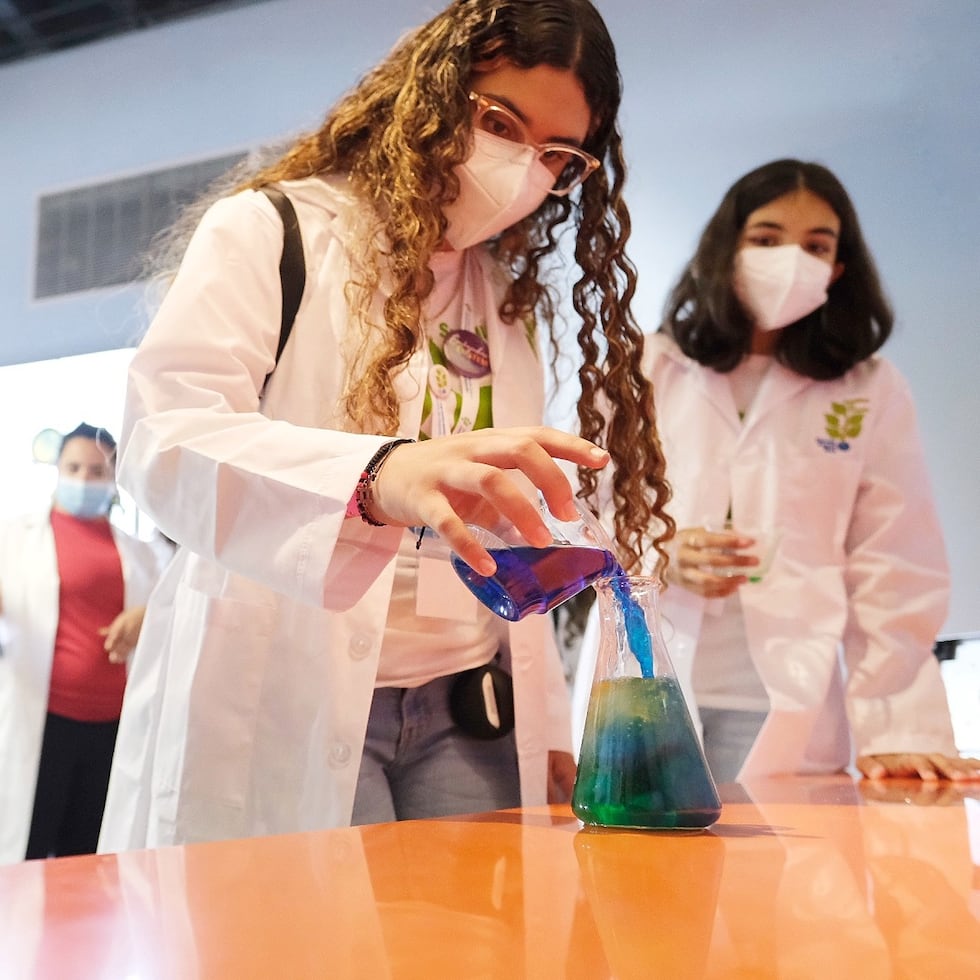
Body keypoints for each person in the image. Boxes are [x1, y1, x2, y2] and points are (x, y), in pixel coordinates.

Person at [98, 0, 672, 851]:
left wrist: (547, 721)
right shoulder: (275, 230)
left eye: (558, 155)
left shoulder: (505, 307)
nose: (523, 169)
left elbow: (513, 515)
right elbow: (163, 441)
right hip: (287, 693)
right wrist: (379, 476)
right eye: (501, 122)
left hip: (464, 706)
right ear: (432, 94)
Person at [575, 158, 980, 784]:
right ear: (726, 250)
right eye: (766, 239)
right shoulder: (645, 368)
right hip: (648, 685)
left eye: (816, 245)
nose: (791, 259)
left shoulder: (869, 389)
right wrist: (661, 552)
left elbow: (893, 564)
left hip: (789, 698)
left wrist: (901, 728)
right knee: (641, 876)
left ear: (838, 269)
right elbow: (579, 512)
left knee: (777, 878)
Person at [0, 424, 165, 864]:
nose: (84, 478)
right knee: (26, 854)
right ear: (56, 470)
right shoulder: (14, 539)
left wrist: (148, 616)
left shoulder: (142, 552)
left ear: (114, 477)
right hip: (46, 722)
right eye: (73, 468)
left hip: (112, 731)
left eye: (96, 470)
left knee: (89, 861)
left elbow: (174, 617)